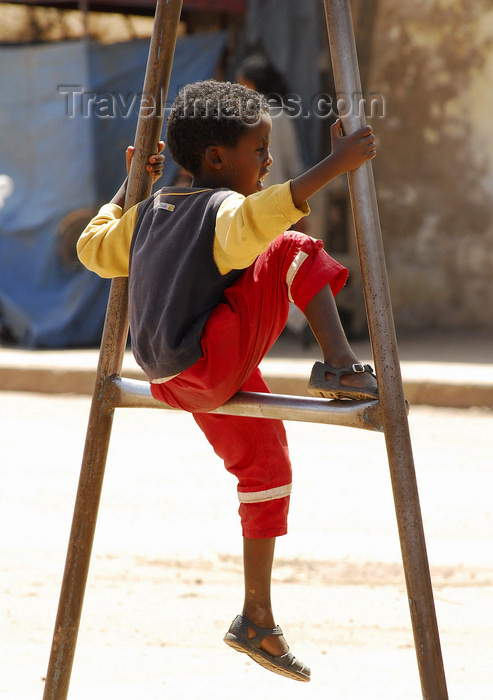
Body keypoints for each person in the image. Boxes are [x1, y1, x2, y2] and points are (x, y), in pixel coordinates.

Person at [77, 79, 377, 683]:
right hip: (209, 362)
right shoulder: (224, 212)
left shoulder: (148, 213)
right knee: (291, 246)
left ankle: (257, 617)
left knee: (265, 467)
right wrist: (335, 164)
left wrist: (127, 187)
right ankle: (341, 362)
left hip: (171, 375)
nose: (267, 162)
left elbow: (91, 247)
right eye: (259, 150)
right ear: (217, 159)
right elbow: (271, 215)